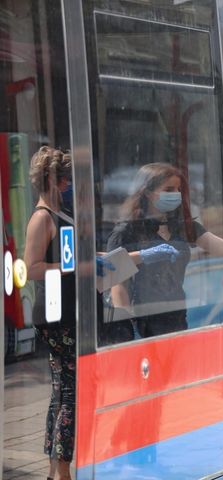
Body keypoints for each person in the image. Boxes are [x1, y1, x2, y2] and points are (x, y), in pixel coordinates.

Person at [106, 162, 223, 340]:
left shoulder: (184, 227)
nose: (175, 194)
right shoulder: (127, 232)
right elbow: (116, 280)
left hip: (176, 316)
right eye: (168, 189)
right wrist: (127, 326)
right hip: (141, 321)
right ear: (147, 192)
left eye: (178, 189)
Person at [25, 146, 77, 480]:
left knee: (61, 393)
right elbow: (31, 268)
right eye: (66, 179)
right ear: (53, 181)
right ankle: (62, 472)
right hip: (56, 316)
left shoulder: (61, 214)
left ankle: (53, 470)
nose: (70, 184)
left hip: (66, 312)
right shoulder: (42, 218)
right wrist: (71, 267)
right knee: (70, 395)